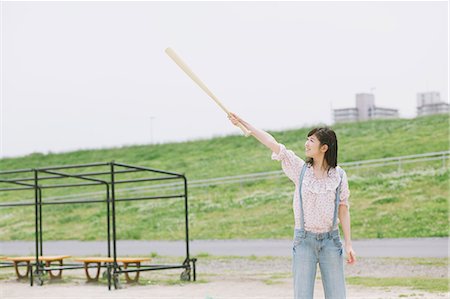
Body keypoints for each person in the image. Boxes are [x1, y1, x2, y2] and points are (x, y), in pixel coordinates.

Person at [228, 112, 356, 299]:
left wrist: (349, 244)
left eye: (311, 140)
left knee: (337, 295)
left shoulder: (339, 176)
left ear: (324, 147)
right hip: (304, 241)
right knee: (302, 295)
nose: (306, 143)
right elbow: (271, 143)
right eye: (307, 139)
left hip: (331, 241)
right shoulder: (300, 169)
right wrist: (242, 123)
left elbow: (343, 210)